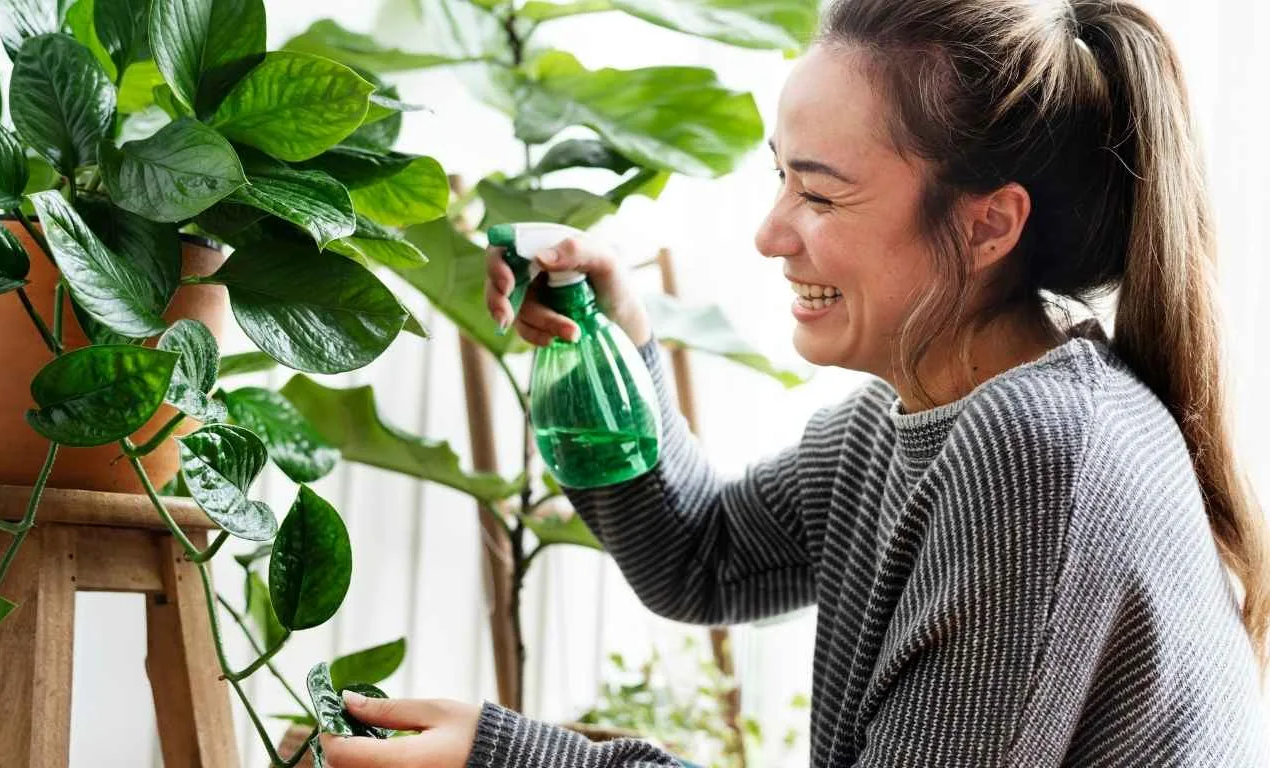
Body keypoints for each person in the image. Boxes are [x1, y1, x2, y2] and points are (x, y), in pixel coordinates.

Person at [318, 0, 1270, 765]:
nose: (771, 233)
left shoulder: (1046, 454)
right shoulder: (908, 417)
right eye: (781, 179)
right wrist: (606, 343)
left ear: (988, 226)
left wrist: (518, 758)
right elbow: (698, 557)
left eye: (819, 194)